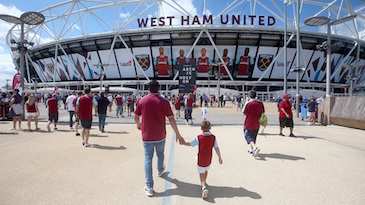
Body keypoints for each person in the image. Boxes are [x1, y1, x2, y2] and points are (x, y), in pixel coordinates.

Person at [134, 79, 185, 197]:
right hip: (160, 135)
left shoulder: (142, 101)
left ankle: (149, 186)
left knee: (148, 158)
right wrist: (177, 133)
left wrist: (139, 125)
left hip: (147, 136)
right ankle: (160, 169)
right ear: (159, 89)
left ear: (148, 89)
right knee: (160, 153)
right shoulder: (164, 102)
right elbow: (171, 118)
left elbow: (136, 116)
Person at [181, 120, 223, 199]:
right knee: (206, 170)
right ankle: (204, 182)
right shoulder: (213, 137)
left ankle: (203, 187)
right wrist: (219, 157)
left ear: (201, 128)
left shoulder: (199, 137)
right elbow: (216, 148)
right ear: (210, 128)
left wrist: (183, 143)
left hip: (201, 158)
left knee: (201, 173)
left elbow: (191, 144)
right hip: (209, 158)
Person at [242, 90, 265, 157]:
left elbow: (244, 113)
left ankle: (255, 147)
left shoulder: (248, 103)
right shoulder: (260, 104)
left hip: (249, 122)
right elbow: (263, 112)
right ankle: (252, 150)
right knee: (254, 136)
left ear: (249, 96)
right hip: (257, 122)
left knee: (248, 136)